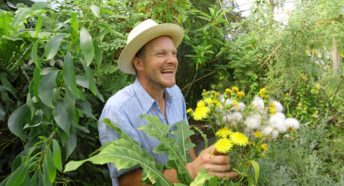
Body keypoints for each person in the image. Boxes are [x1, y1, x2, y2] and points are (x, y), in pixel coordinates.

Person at [98, 19, 237, 186]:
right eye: (161, 54)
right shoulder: (117, 110)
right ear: (138, 63)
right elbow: (128, 181)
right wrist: (192, 170)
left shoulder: (175, 93)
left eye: (174, 53)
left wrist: (199, 176)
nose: (172, 60)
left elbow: (185, 143)